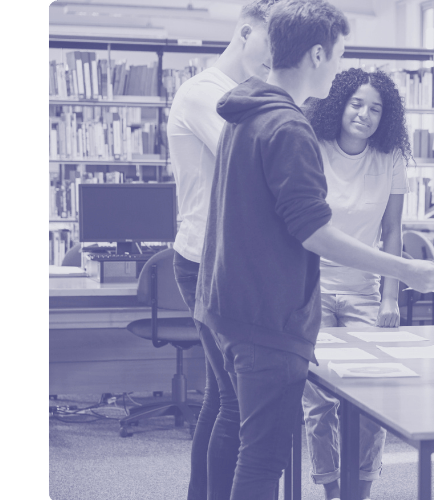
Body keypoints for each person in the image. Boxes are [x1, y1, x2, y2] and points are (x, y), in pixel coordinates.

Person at [195, 1, 434, 498]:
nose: (339, 65)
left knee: (241, 442)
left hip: (225, 307)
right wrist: (406, 271)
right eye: (339, 54)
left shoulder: (245, 109)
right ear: (318, 54)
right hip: (264, 319)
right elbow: (314, 232)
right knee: (261, 460)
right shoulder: (290, 128)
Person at [166, 2, 279, 498]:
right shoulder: (206, 93)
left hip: (225, 259)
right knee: (235, 402)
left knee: (220, 397)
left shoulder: (248, 93)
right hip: (206, 262)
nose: (273, 59)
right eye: (270, 45)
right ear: (244, 32)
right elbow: (253, 162)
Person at [299, 68, 412, 500]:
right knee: (319, 404)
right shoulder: (313, 147)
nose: (364, 114)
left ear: (387, 117)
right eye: (357, 103)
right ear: (340, 104)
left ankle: (360, 491)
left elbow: (393, 232)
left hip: (365, 292)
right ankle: (331, 491)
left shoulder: (390, 158)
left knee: (371, 400)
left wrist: (391, 297)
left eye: (376, 109)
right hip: (312, 289)